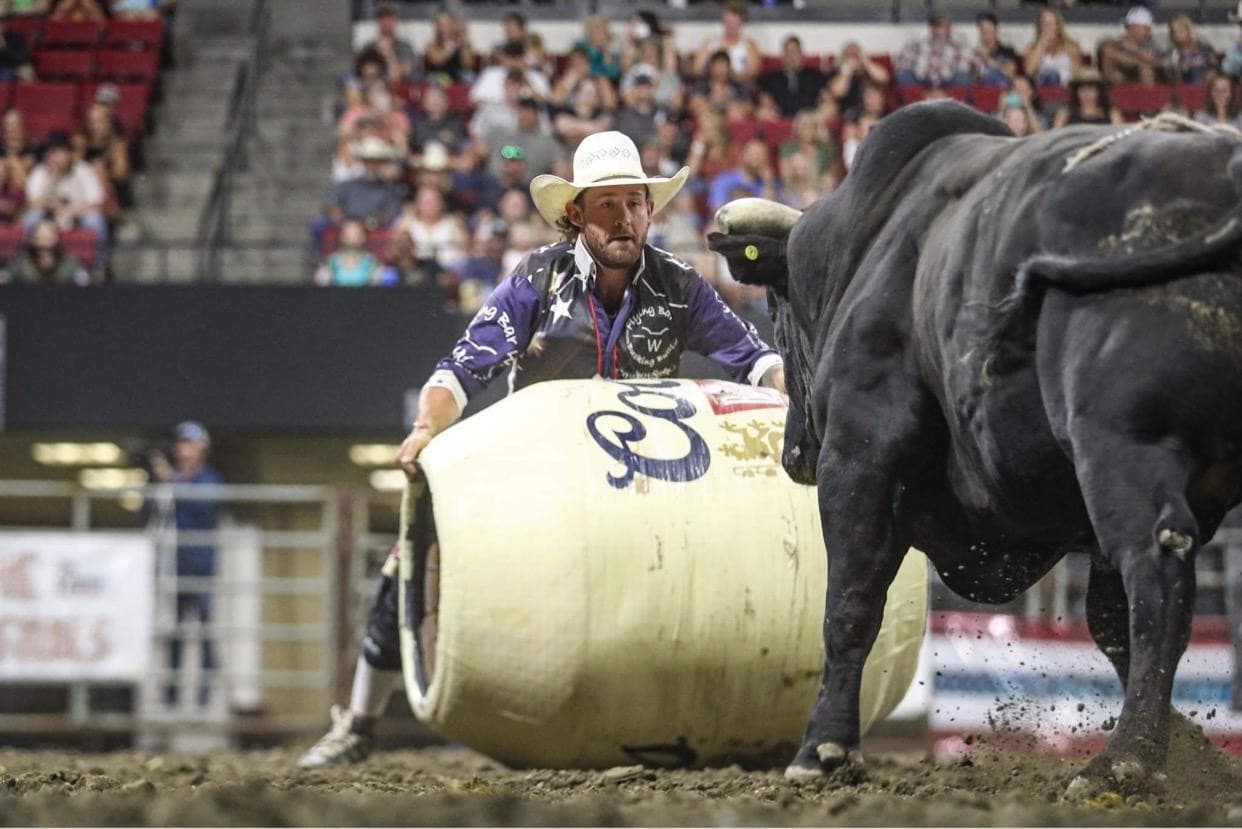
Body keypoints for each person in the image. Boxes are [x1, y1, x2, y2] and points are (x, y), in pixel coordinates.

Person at [295, 130, 785, 768]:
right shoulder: (537, 279)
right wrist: (425, 428)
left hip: (648, 479)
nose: (624, 218)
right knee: (410, 559)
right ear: (575, 214)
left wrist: (792, 396)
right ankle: (359, 721)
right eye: (607, 205)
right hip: (538, 477)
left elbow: (755, 359)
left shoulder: (681, 285)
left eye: (634, 203)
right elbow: (463, 368)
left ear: (649, 210)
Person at [146, 421, 223, 709]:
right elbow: (149, 512)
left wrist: (172, 481)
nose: (183, 449)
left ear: (202, 448)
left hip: (202, 567)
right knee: (176, 632)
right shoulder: (171, 480)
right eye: (181, 444)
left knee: (205, 633)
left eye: (189, 443)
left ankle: (204, 698)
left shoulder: (209, 479)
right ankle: (172, 695)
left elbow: (204, 505)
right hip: (175, 566)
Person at [894, 12, 972, 88]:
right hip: (920, 84)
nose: (941, 31)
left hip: (948, 85)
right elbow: (900, 64)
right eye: (938, 26)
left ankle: (949, 96)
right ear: (931, 28)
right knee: (903, 75)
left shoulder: (959, 47)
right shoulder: (917, 45)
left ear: (950, 29)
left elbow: (965, 68)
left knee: (963, 77)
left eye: (945, 27)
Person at [758, 36, 827, 119]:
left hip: (810, 117)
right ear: (783, 56)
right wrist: (768, 106)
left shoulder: (815, 76)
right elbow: (765, 98)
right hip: (778, 116)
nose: (791, 57)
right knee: (762, 112)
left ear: (801, 55)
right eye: (788, 52)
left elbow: (825, 96)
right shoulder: (771, 78)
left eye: (794, 52)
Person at [4, 218, 89, 284]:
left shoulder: (70, 261)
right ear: (32, 240)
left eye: (48, 239)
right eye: (40, 238)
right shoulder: (21, 261)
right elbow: (6, 277)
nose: (44, 244)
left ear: (57, 239)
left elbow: (83, 280)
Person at [1098, 5, 1163, 87]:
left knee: (1146, 70)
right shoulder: (1115, 44)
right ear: (1133, 27)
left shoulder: (1151, 44)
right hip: (1119, 83)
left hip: (1143, 84)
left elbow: (1160, 63)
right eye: (1145, 28)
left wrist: (1135, 52)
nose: (1148, 32)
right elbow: (1106, 51)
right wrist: (1137, 62)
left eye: (1148, 29)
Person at [1022, 8, 1083, 87]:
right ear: (1039, 26)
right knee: (1051, 75)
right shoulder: (1032, 48)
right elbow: (1029, 71)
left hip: (1065, 88)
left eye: (1051, 23)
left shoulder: (1071, 46)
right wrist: (1041, 44)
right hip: (1042, 89)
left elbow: (1077, 74)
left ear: (1058, 26)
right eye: (1044, 23)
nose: (1048, 27)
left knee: (1053, 75)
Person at [358, 2, 416, 84]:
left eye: (389, 18)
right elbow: (364, 73)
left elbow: (401, 75)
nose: (386, 23)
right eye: (382, 18)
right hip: (374, 86)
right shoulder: (369, 47)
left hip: (398, 87)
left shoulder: (404, 46)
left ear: (395, 20)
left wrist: (389, 54)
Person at [1052, 68, 1123, 127]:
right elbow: (1056, 136)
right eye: (1082, 90)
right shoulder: (1064, 114)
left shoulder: (1112, 114)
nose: (1086, 94)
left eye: (1091, 89)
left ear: (1100, 92)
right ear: (1076, 92)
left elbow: (1119, 135)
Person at [1164, 15, 1218, 86]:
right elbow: (1173, 78)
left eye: (1180, 30)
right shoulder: (1172, 54)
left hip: (1206, 86)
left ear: (1189, 30)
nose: (1177, 34)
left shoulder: (1205, 48)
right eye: (1174, 32)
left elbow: (1213, 69)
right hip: (1185, 88)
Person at [973, 11, 1020, 87]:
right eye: (983, 30)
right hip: (983, 91)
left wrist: (988, 60)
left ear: (996, 30)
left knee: (994, 74)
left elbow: (1011, 73)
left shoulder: (1008, 51)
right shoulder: (975, 54)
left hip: (1002, 90)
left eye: (989, 30)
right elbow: (974, 81)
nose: (987, 34)